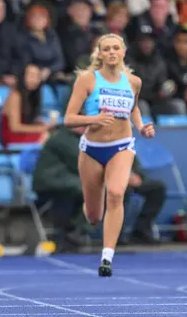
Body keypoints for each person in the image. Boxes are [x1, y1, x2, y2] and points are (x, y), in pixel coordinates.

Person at [63, 33, 155, 277]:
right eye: (107, 49)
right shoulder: (87, 80)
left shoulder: (133, 81)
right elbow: (68, 119)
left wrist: (142, 127)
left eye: (116, 48)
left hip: (122, 146)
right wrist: (94, 119)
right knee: (94, 216)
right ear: (100, 54)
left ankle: (107, 257)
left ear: (123, 52)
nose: (112, 52)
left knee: (116, 193)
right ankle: (92, 200)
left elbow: (133, 108)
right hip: (92, 149)